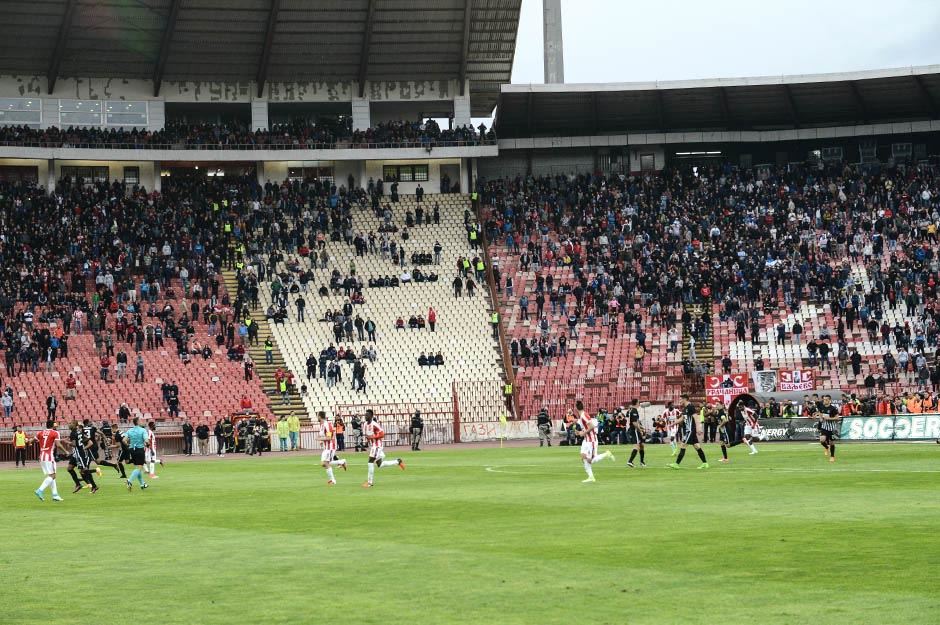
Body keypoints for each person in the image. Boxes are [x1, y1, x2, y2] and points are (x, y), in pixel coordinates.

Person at [362, 410, 405, 488]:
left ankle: (369, 482)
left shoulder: (375, 425)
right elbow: (368, 435)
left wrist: (372, 437)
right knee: (380, 464)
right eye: (365, 415)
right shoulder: (365, 424)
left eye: (367, 415)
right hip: (373, 446)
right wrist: (366, 442)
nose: (365, 416)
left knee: (370, 462)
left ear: (371, 416)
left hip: (377, 445)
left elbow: (382, 434)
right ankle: (398, 461)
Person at [575, 400, 614, 483]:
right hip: (586, 440)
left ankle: (607, 454)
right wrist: (580, 433)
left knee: (590, 460)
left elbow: (592, 426)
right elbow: (587, 427)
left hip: (591, 440)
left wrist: (583, 433)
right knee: (583, 456)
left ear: (576, 408)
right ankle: (591, 477)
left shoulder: (584, 415)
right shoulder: (582, 416)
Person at [667, 397, 709, 469]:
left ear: (685, 399)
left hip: (690, 430)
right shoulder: (685, 408)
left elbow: (696, 417)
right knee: (697, 446)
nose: (679, 401)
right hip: (689, 430)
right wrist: (673, 424)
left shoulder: (690, 407)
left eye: (680, 399)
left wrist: (699, 428)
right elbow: (682, 418)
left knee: (683, 445)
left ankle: (676, 464)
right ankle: (705, 463)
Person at [34, 420, 67, 502]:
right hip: (49, 456)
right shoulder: (55, 433)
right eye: (55, 425)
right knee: (53, 476)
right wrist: (65, 451)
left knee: (51, 476)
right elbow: (58, 445)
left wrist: (28, 441)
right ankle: (40, 490)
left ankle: (55, 495)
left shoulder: (40, 432)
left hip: (42, 456)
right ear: (52, 425)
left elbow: (33, 440)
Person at [66, 420, 98, 494]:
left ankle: (94, 485)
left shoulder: (73, 433)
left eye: (70, 423)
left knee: (84, 470)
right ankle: (78, 484)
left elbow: (74, 444)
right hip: (76, 454)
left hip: (80, 454)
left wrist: (66, 442)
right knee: (69, 468)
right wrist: (83, 446)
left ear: (74, 425)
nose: (69, 424)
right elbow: (88, 441)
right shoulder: (79, 431)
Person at [318, 411, 347, 485]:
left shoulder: (327, 425)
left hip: (330, 446)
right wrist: (321, 440)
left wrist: (319, 439)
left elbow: (329, 437)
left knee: (325, 463)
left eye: (318, 416)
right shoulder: (322, 425)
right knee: (324, 464)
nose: (317, 417)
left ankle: (333, 480)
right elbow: (324, 436)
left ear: (320, 416)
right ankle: (341, 462)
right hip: (326, 447)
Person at [124, 417, 150, 491]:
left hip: (132, 450)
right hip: (139, 450)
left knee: (137, 467)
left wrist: (129, 445)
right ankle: (129, 481)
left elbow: (124, 440)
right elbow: (146, 440)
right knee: (139, 468)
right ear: (138, 422)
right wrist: (147, 444)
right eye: (141, 420)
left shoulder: (130, 430)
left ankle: (142, 484)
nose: (142, 421)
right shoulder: (143, 430)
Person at [816, 394, 841, 463]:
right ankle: (827, 447)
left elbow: (837, 418)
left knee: (831, 442)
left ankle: (832, 456)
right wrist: (820, 418)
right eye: (824, 399)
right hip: (824, 426)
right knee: (822, 440)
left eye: (826, 399)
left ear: (830, 400)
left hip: (831, 428)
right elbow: (821, 414)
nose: (825, 401)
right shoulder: (822, 407)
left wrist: (829, 418)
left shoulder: (833, 408)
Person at [625, 400, 646, 468]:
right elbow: (634, 423)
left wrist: (641, 428)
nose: (639, 403)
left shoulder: (634, 410)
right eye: (638, 402)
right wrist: (640, 430)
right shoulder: (634, 411)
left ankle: (642, 462)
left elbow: (636, 422)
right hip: (634, 431)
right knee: (636, 446)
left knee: (642, 445)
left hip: (636, 430)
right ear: (636, 403)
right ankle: (630, 461)